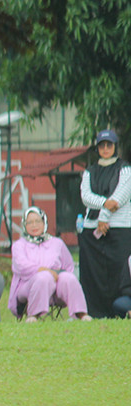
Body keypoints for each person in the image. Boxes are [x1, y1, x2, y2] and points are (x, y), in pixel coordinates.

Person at [78, 129, 131, 318]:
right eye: (102, 145)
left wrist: (104, 216)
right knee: (94, 272)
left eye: (109, 145)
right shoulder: (90, 171)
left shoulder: (125, 169)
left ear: (115, 147)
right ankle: (94, 311)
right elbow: (86, 196)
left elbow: (120, 197)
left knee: (119, 270)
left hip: (120, 229)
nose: (106, 149)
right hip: (93, 230)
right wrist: (103, 205)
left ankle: (121, 309)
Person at [9, 206, 90, 322]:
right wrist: (44, 270)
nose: (34, 225)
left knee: (68, 278)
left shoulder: (57, 243)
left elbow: (69, 266)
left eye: (38, 221)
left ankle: (81, 314)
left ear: (44, 223)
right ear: (24, 225)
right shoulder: (19, 245)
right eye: (30, 222)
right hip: (28, 284)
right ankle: (33, 315)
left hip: (56, 284)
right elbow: (22, 266)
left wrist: (59, 275)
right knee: (44, 277)